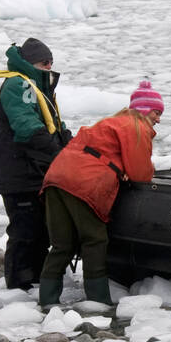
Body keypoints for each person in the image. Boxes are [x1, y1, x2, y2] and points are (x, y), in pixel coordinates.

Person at [35, 81, 162, 307]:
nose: (158, 119)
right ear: (143, 111)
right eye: (156, 112)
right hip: (83, 183)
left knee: (62, 244)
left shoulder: (109, 122)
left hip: (56, 178)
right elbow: (141, 173)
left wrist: (120, 167)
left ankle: (47, 301)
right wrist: (127, 171)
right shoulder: (136, 127)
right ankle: (98, 301)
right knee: (94, 239)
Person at [0, 38, 70, 292]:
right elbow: (27, 127)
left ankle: (36, 279)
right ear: (30, 63)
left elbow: (54, 126)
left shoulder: (37, 86)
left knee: (40, 230)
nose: (49, 66)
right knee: (24, 231)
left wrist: (73, 146)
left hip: (34, 172)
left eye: (51, 62)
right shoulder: (18, 84)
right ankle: (18, 286)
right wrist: (58, 152)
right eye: (44, 62)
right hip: (20, 174)